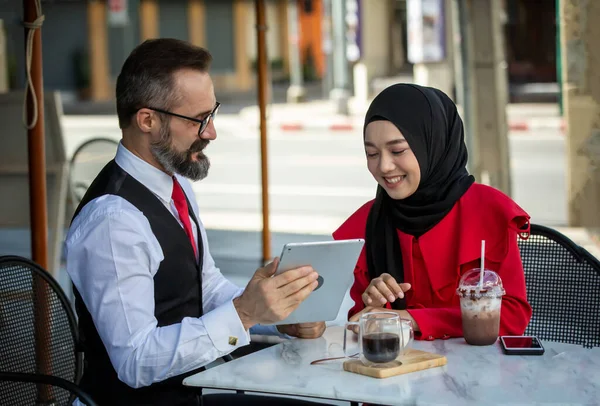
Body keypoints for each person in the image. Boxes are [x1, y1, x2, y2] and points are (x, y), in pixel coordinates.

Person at [65, 38, 327, 406]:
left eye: (212, 113)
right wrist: (245, 313)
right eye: (198, 120)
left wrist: (271, 315)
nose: (211, 132)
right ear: (147, 120)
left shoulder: (175, 185)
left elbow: (203, 288)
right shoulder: (113, 221)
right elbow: (135, 362)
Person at [332, 83, 532, 341]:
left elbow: (512, 316)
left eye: (397, 150)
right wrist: (374, 303)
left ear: (433, 144)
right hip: (399, 371)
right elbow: (363, 325)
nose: (383, 166)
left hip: (478, 372)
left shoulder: (487, 210)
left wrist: (413, 319)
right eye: (371, 153)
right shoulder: (370, 222)